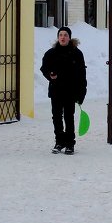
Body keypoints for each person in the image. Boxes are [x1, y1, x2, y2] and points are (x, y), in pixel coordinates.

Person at [40, 26, 87, 155]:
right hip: (56, 91)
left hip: (71, 91)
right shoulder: (51, 53)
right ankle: (59, 142)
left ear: (69, 37)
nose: (63, 37)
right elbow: (44, 68)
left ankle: (70, 144)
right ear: (58, 37)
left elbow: (82, 74)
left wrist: (82, 92)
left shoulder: (77, 53)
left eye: (65, 35)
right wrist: (50, 75)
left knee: (68, 117)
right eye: (60, 35)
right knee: (56, 117)